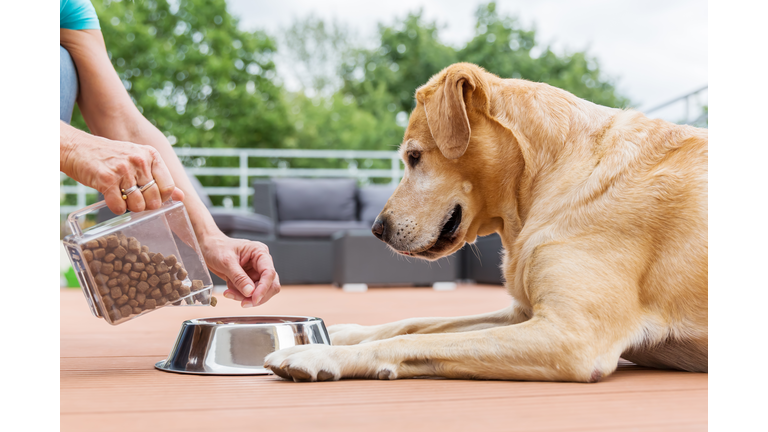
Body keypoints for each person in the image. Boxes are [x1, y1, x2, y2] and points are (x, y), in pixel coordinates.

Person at [59, 0, 280, 308]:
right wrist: (69, 146)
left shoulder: (69, 8)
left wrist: (208, 237)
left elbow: (123, 124)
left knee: (62, 62)